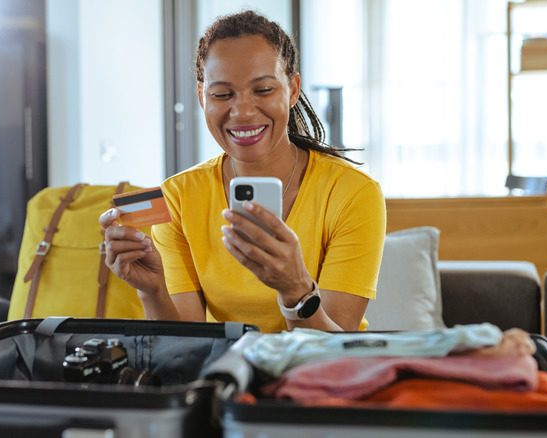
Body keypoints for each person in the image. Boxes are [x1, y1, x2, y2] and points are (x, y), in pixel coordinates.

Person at [99, 10, 386, 333]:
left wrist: (296, 290)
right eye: (222, 94)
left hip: (321, 378)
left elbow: (333, 351)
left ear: (292, 90)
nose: (243, 111)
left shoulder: (353, 193)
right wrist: (151, 290)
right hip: (226, 377)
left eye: (263, 90)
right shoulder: (178, 198)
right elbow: (186, 349)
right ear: (201, 97)